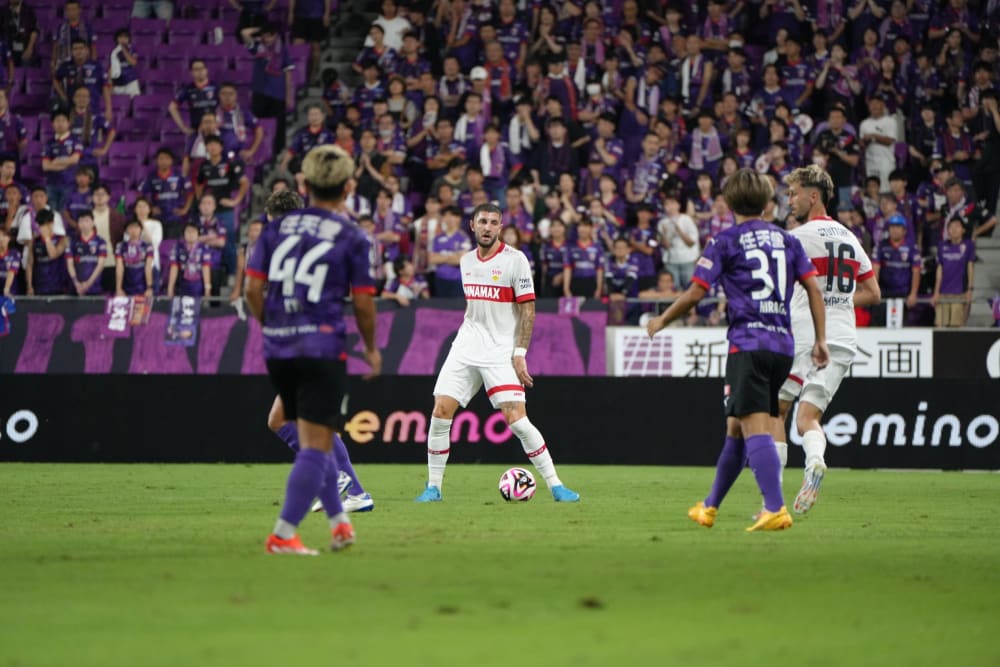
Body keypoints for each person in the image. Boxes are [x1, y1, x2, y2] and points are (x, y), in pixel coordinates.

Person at [646, 169, 829, 532]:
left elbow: (696, 292)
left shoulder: (725, 241)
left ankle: (775, 507)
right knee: (736, 427)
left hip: (748, 344)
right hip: (783, 345)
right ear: (767, 202)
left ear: (729, 203)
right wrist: (820, 338)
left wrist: (662, 319)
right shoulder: (788, 240)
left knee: (754, 427)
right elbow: (813, 288)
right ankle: (710, 506)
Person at [246, 144, 381, 555]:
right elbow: (363, 301)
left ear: (305, 183)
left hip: (282, 344)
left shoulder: (272, 235)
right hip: (321, 345)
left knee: (291, 426)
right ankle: (285, 533)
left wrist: (272, 325)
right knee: (315, 441)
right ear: (349, 187)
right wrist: (371, 348)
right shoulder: (350, 235)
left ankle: (340, 521)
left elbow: (252, 289)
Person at [415, 202, 580, 503]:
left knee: (517, 419)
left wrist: (520, 352)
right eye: (483, 221)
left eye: (493, 222)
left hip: (501, 350)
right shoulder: (466, 261)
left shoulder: (516, 260)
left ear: (500, 227)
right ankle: (433, 488)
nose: (488, 227)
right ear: (473, 225)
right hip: (466, 346)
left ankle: (556, 486)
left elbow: (528, 310)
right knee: (440, 412)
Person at [774, 166, 881, 515]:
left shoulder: (798, 237)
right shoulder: (850, 238)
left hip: (806, 336)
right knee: (808, 418)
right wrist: (838, 301)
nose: (790, 200)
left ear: (813, 195)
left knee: (776, 410)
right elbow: (873, 293)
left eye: (794, 194)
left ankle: (771, 498)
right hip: (843, 339)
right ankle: (815, 461)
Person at [932, 218, 975, 327]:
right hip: (943, 293)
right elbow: (939, 269)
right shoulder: (942, 245)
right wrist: (936, 292)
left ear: (963, 230)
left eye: (957, 226)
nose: (954, 229)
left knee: (956, 327)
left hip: (959, 293)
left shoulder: (968, 245)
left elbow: (970, 267)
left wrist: (969, 289)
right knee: (940, 326)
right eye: (951, 227)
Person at [24, 209, 68, 295]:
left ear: (52, 223)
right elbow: (29, 264)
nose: (43, 228)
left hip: (58, 286)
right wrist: (29, 286)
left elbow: (53, 255)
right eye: (41, 225)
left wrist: (47, 238)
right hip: (40, 286)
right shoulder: (34, 241)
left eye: (46, 224)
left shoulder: (62, 239)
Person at [64, 209, 107, 296]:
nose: (84, 224)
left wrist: (88, 283)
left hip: (95, 287)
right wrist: (76, 283)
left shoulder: (100, 242)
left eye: (87, 221)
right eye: (81, 221)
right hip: (76, 288)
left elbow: (100, 265)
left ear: (93, 222)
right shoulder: (72, 242)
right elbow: (70, 264)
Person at [166, 222, 211, 299]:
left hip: (198, 284)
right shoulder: (177, 247)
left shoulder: (204, 248)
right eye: (188, 231)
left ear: (198, 234)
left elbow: (206, 268)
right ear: (184, 233)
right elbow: (174, 267)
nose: (190, 234)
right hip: (181, 282)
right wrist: (170, 287)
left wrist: (207, 288)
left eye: (193, 231)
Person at [115, 218, 154, 297]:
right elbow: (119, 267)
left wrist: (149, 287)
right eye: (130, 227)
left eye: (136, 227)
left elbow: (148, 267)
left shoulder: (147, 246)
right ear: (126, 230)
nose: (133, 230)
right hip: (126, 285)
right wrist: (118, 288)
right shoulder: (121, 246)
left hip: (142, 286)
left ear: (141, 229)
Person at [0, 225, 19, 296]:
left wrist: (6, 289)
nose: (1, 239)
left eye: (4, 236)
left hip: (9, 293)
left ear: (9, 238)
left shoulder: (14, 254)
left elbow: (11, 272)